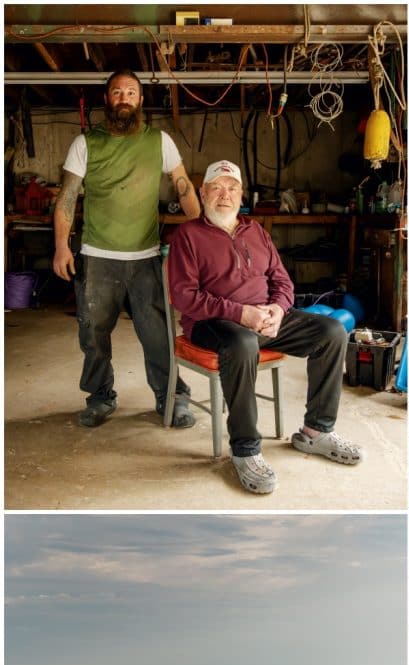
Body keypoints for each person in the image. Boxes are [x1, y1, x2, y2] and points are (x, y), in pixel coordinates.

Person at [167, 159, 362, 494]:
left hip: (263, 315)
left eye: (232, 188)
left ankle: (316, 432)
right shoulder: (188, 236)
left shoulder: (255, 231)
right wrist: (241, 314)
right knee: (243, 344)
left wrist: (277, 309)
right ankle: (245, 450)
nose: (224, 195)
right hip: (212, 322)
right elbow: (184, 297)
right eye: (217, 187)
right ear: (203, 192)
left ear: (241, 194)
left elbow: (282, 282)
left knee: (332, 332)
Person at [53, 69, 200, 428]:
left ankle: (172, 396)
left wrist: (202, 233)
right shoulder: (85, 143)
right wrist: (61, 246)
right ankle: (100, 396)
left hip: (145, 257)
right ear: (108, 100)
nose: (123, 98)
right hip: (96, 256)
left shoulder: (159, 141)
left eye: (130, 92)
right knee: (93, 334)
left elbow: (182, 187)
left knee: (157, 334)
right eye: (117, 92)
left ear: (140, 100)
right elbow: (67, 198)